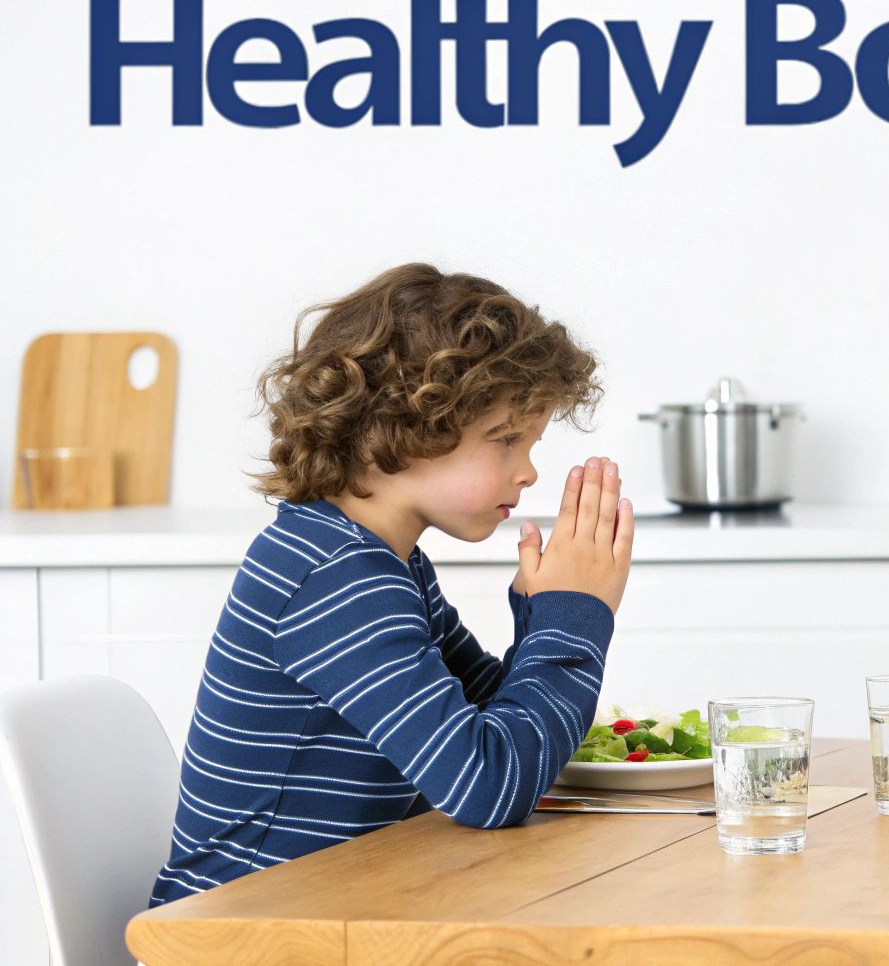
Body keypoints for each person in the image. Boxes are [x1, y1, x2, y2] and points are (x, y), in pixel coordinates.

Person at [150, 264, 633, 905]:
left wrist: (544, 617)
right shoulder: (334, 577)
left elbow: (490, 726)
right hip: (244, 934)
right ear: (394, 431)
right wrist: (576, 617)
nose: (528, 472)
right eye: (505, 439)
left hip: (335, 912)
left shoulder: (380, 562)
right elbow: (489, 787)